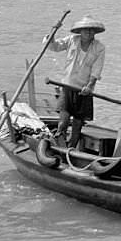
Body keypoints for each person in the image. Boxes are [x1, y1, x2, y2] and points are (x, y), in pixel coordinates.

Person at [46, 15, 107, 147]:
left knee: (78, 123)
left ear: (95, 33)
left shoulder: (99, 48)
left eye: (91, 30)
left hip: (84, 89)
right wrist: (53, 31)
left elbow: (97, 70)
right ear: (80, 31)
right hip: (68, 85)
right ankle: (59, 143)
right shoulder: (72, 40)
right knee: (63, 120)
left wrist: (90, 86)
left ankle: (72, 148)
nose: (89, 33)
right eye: (86, 30)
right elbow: (53, 46)